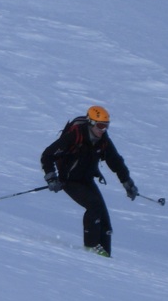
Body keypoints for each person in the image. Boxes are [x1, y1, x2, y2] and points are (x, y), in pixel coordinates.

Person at [40, 105, 138, 257]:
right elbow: (47, 155)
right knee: (94, 206)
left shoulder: (102, 140)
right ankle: (91, 250)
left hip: (86, 180)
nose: (103, 129)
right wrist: (51, 177)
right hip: (69, 181)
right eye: (100, 125)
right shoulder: (75, 135)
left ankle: (105, 256)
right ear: (91, 123)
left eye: (106, 126)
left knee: (104, 220)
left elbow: (115, 162)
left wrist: (127, 183)